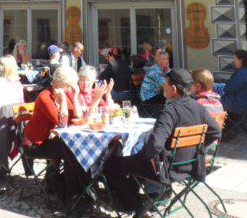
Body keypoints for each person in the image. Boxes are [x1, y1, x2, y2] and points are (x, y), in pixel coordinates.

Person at [103, 69, 221, 217]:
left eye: (164, 84)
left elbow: (154, 145)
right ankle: (134, 201)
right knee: (135, 162)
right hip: (190, 165)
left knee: (111, 164)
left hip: (168, 169)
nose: (162, 87)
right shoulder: (197, 106)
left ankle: (136, 206)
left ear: (173, 89)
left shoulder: (170, 110)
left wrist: (152, 161)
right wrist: (198, 148)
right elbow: (216, 131)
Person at [22, 65, 89, 201]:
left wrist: (75, 98)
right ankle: (73, 195)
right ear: (58, 84)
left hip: (49, 139)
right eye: (68, 86)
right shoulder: (45, 97)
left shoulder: (66, 92)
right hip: (34, 144)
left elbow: (75, 119)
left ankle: (79, 190)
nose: (70, 89)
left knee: (75, 149)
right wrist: (63, 100)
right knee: (71, 152)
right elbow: (62, 124)